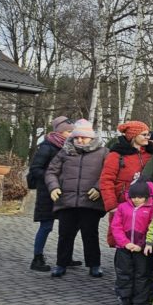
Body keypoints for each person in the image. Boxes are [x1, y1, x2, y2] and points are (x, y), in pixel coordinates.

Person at [44, 119, 109, 278]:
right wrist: (54, 187)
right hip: (67, 200)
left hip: (90, 201)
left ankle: (94, 264)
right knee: (65, 234)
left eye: (83, 137)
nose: (79, 140)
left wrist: (98, 187)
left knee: (90, 234)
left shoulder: (103, 152)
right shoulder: (64, 151)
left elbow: (108, 174)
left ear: (91, 137)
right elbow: (51, 172)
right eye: (76, 137)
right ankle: (61, 264)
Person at [28, 116, 75, 272]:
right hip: (47, 193)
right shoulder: (47, 146)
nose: (72, 134)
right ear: (60, 132)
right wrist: (52, 179)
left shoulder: (70, 146)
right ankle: (37, 258)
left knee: (68, 226)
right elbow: (35, 169)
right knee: (46, 226)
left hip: (65, 191)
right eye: (69, 131)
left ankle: (65, 257)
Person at [99, 120, 153, 246]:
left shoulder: (150, 155)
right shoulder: (116, 155)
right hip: (122, 203)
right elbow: (106, 180)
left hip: (144, 202)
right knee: (121, 235)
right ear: (134, 136)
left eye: (148, 134)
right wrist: (111, 205)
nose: (148, 137)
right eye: (144, 134)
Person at [110, 180, 153, 305]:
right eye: (134, 197)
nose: (136, 200)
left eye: (140, 197)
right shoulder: (122, 207)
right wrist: (125, 243)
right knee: (124, 273)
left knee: (142, 274)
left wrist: (141, 245)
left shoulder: (152, 209)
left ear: (147, 197)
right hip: (124, 248)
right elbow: (116, 226)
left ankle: (139, 300)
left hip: (141, 249)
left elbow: (152, 228)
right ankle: (125, 298)